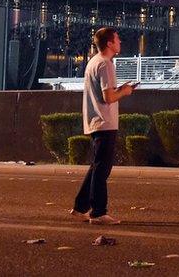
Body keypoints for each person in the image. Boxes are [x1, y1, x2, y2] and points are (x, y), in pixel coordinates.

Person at [71, 27, 135, 225]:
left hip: (94, 121)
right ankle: (98, 212)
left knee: (96, 166)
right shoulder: (106, 65)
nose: (120, 42)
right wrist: (125, 91)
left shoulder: (93, 62)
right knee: (102, 169)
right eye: (117, 39)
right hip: (105, 122)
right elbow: (108, 97)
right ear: (109, 43)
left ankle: (80, 207)